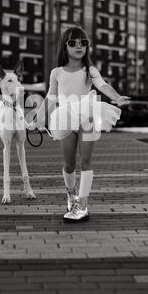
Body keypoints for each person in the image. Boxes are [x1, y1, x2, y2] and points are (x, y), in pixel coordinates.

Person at [28, 26, 130, 222]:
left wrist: (117, 98)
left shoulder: (89, 70)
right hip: (65, 116)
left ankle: (82, 206)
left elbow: (103, 85)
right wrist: (37, 120)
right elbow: (50, 97)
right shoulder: (56, 72)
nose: (79, 46)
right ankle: (71, 195)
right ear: (64, 46)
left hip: (87, 114)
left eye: (83, 42)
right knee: (69, 164)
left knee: (86, 162)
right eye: (73, 42)